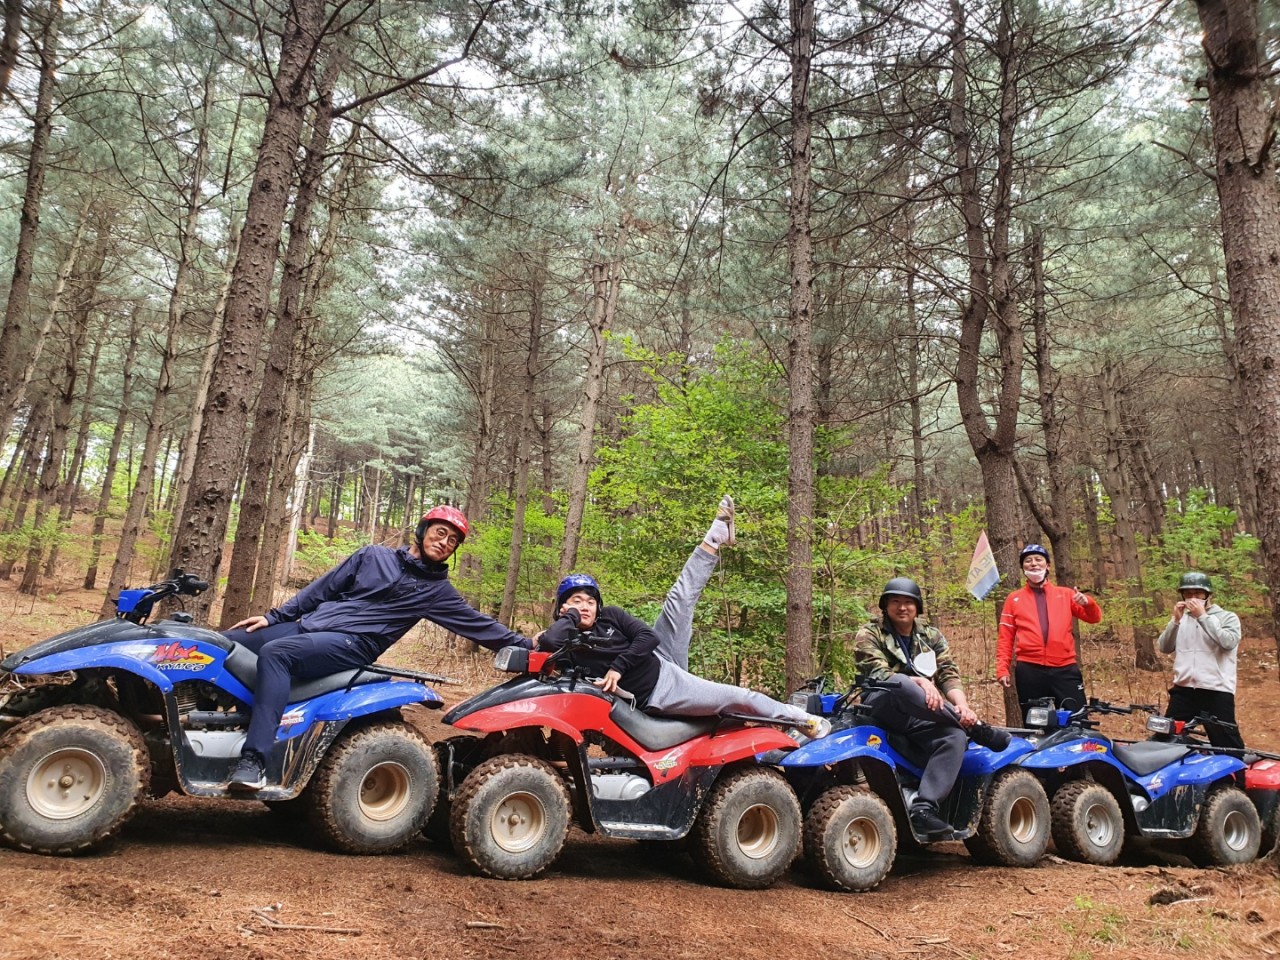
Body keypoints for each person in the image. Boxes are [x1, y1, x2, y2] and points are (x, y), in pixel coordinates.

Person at [224, 505, 531, 790]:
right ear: (423, 529)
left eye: (453, 541)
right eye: (441, 533)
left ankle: (255, 761)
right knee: (224, 643)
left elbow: (479, 625)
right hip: (311, 626)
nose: (444, 543)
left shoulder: (437, 592)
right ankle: (223, 723)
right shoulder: (372, 556)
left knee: (277, 654)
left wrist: (528, 645)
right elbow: (323, 588)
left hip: (354, 644)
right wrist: (274, 617)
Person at [538, 496, 830, 739]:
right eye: (577, 602)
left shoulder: (610, 616)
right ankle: (798, 719)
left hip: (660, 655)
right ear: (563, 608)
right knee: (739, 697)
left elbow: (648, 637)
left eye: (590, 601)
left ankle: (715, 536)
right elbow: (548, 643)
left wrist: (617, 668)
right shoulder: (565, 643)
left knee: (678, 601)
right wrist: (568, 619)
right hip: (663, 689)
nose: (586, 607)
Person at [854, 577, 1011, 840]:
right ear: (885, 605)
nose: (902, 607)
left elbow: (948, 673)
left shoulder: (930, 636)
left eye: (908, 602)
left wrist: (962, 707)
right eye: (895, 602)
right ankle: (976, 728)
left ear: (917, 606)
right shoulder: (870, 633)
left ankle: (924, 808)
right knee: (902, 684)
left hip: (922, 712)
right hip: (882, 704)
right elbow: (878, 673)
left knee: (954, 736)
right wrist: (919, 682)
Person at [996, 543, 1102, 721]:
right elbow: (1005, 637)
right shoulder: (1014, 599)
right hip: (1029, 670)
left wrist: (1088, 603)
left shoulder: (1066, 594)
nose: (1033, 563)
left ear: (1048, 566)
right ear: (1023, 568)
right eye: (1028, 561)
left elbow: (1094, 618)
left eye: (1039, 559)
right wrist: (1002, 668)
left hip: (1065, 668)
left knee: (1077, 720)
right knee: (1036, 723)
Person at [1156, 571, 1245, 751]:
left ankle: (1237, 770)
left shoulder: (1227, 617)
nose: (1193, 598)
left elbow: (1228, 642)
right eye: (1188, 594)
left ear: (1208, 595)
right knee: (1164, 739)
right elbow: (1164, 647)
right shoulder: (1182, 620)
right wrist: (1175, 621)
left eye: (1198, 593)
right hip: (1184, 691)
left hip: (1216, 691)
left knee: (1226, 744)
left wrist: (1203, 617)